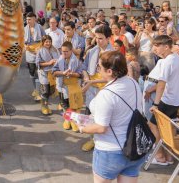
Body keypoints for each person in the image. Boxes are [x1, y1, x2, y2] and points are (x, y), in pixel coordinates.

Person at [78, 51, 145, 183]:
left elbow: (102, 128)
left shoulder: (107, 94)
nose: (98, 70)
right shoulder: (133, 83)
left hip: (110, 151)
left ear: (109, 71)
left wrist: (82, 128)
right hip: (134, 147)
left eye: (99, 67)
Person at [148, 35, 179, 165]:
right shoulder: (178, 58)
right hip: (177, 99)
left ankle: (160, 156)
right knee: (170, 125)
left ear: (167, 47)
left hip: (168, 100)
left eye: (158, 46)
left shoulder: (167, 62)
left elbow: (161, 85)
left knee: (153, 124)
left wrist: (156, 104)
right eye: (155, 45)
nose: (155, 48)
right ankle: (169, 156)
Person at [81, 25, 113, 152]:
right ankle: (91, 139)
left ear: (108, 38)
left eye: (101, 38)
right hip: (91, 87)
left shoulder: (113, 54)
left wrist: (91, 81)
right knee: (89, 113)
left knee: (103, 116)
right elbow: (84, 66)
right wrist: (86, 77)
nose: (98, 41)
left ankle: (101, 140)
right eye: (96, 38)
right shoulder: (92, 51)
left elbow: (112, 76)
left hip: (105, 89)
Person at [53, 41, 83, 131]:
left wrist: (72, 74)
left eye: (66, 51)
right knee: (64, 104)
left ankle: (73, 121)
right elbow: (54, 72)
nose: (64, 53)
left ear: (71, 51)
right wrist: (62, 73)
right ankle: (67, 120)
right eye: (62, 51)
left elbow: (80, 74)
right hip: (62, 86)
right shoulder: (60, 59)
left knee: (73, 105)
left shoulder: (76, 61)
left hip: (73, 86)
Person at [24, 12, 46, 101]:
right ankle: (35, 88)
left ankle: (38, 92)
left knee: (38, 73)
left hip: (38, 52)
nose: (28, 21)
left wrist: (41, 48)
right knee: (32, 73)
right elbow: (22, 40)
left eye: (29, 19)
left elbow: (44, 38)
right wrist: (25, 46)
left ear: (34, 19)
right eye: (27, 19)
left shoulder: (39, 27)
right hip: (29, 53)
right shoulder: (25, 28)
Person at [36, 35, 59, 115]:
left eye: (49, 41)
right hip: (44, 73)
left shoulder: (54, 49)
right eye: (46, 42)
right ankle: (44, 106)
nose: (48, 43)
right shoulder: (40, 50)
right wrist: (49, 63)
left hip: (53, 73)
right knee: (45, 91)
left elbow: (59, 59)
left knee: (51, 90)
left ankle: (46, 104)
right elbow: (38, 64)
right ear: (43, 42)